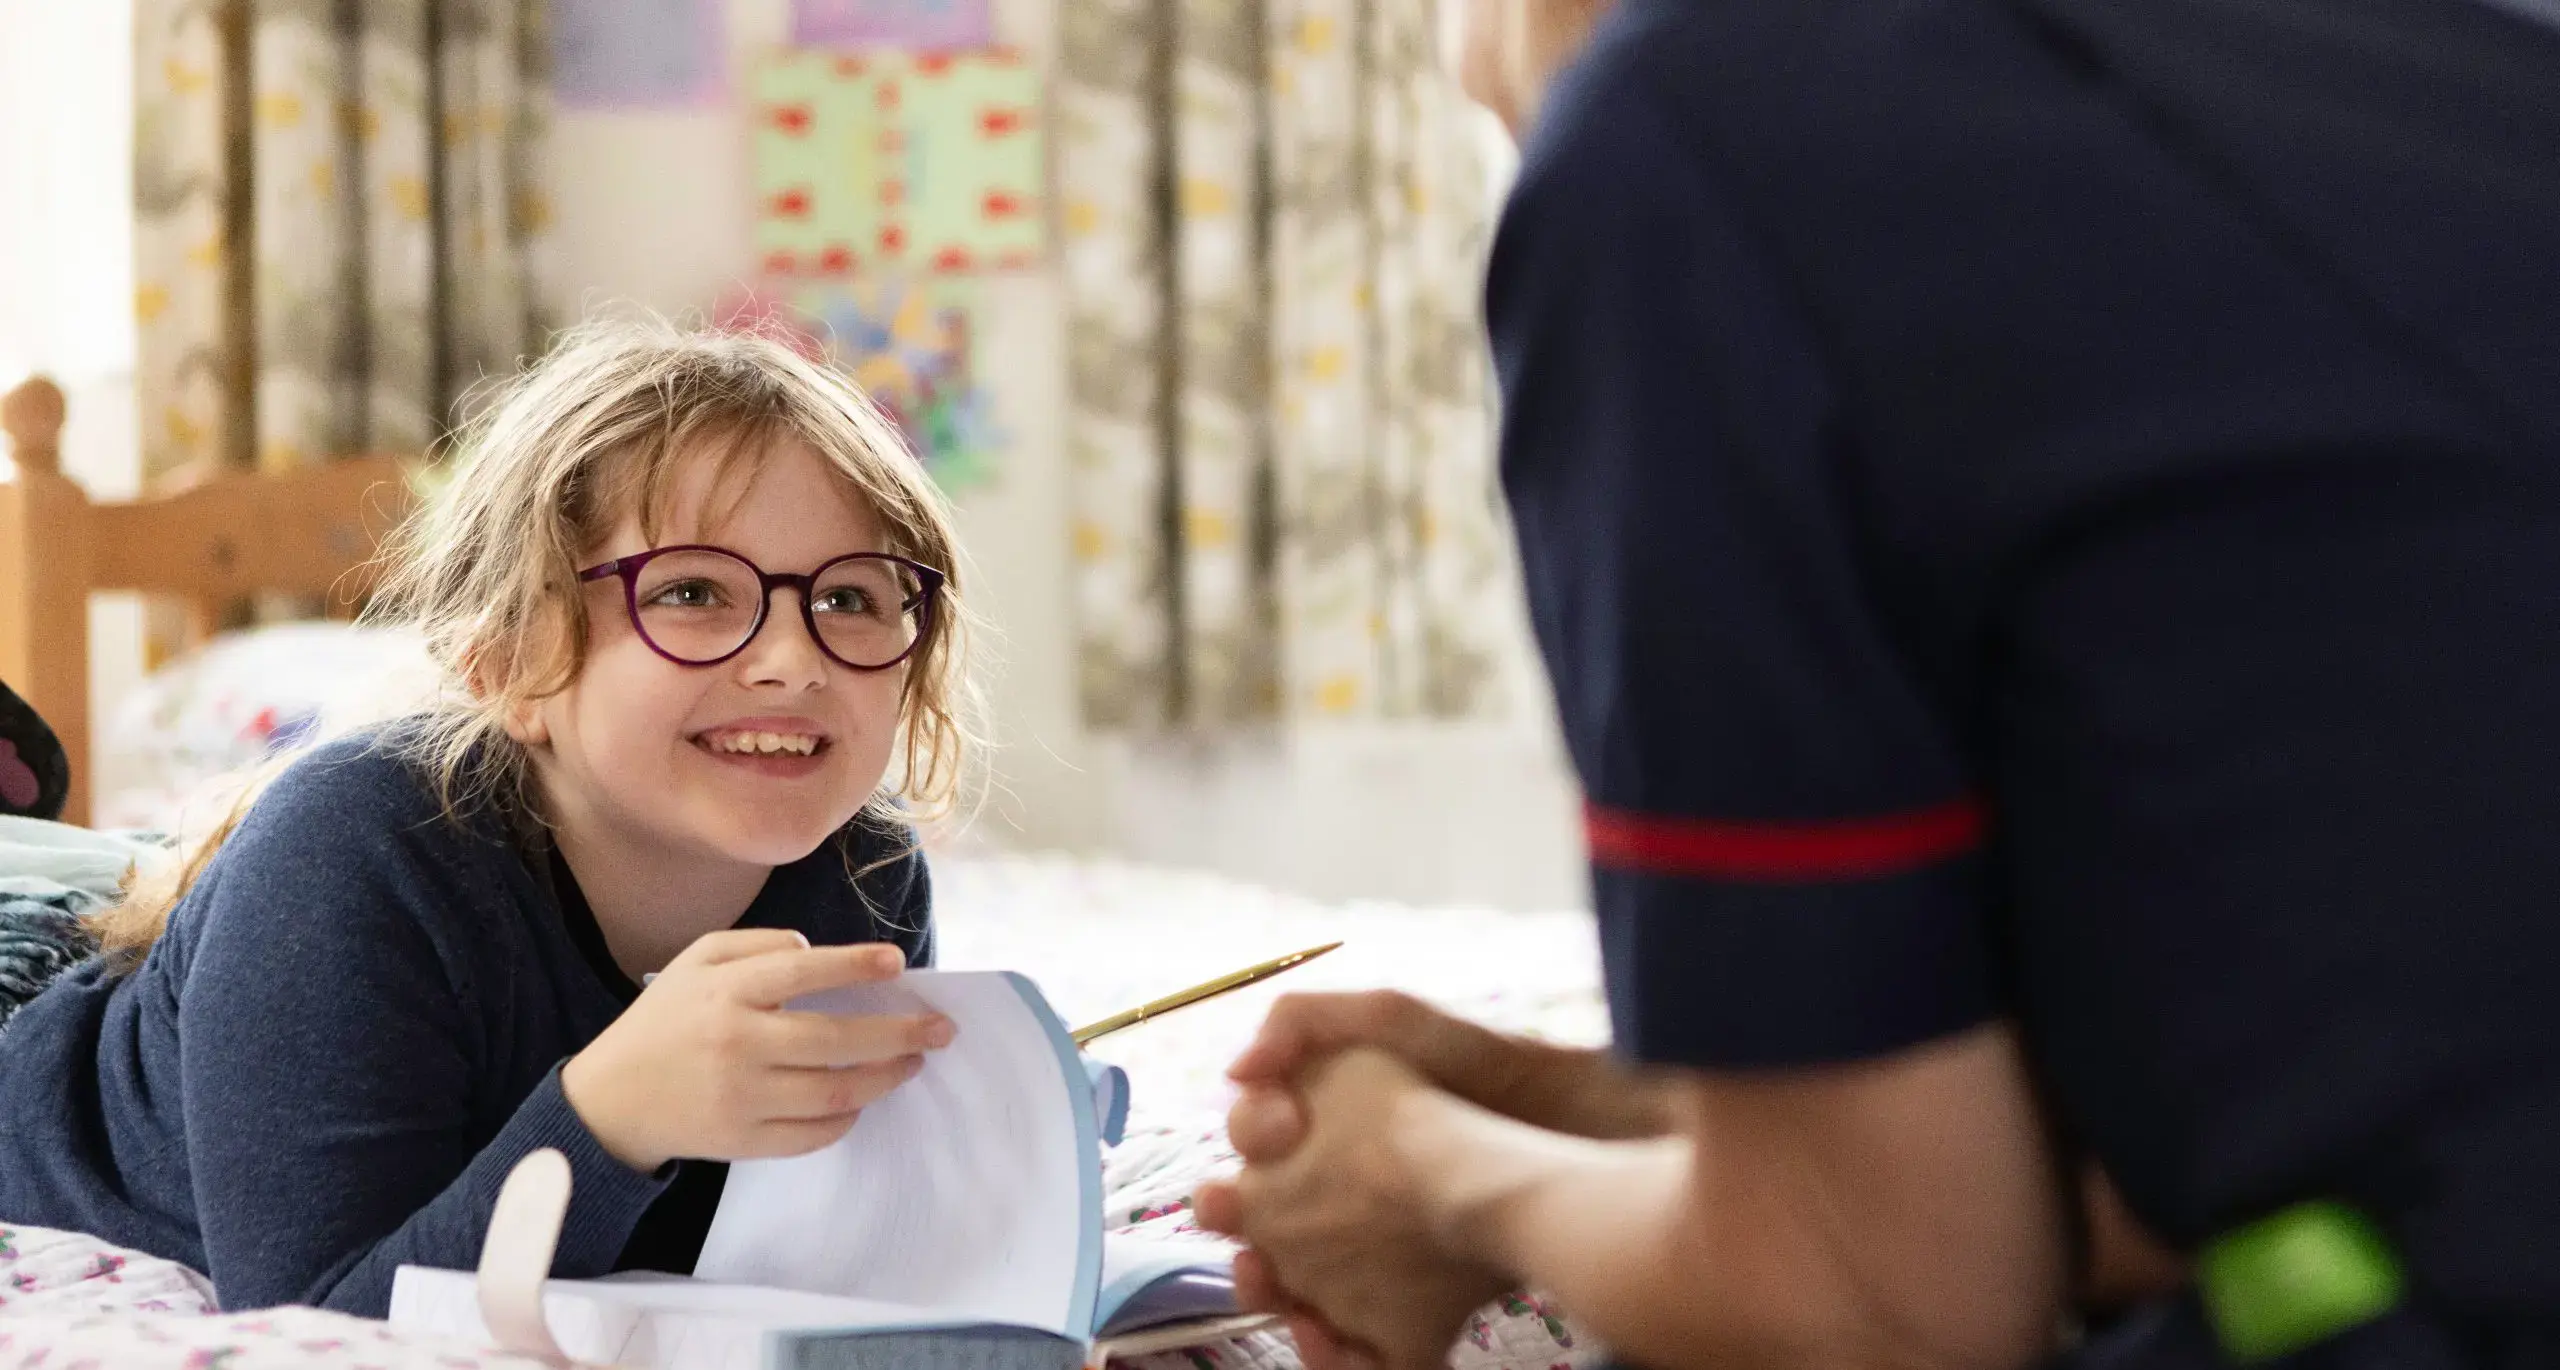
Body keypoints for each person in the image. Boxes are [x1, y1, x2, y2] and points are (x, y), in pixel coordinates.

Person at [1199, 0, 2560, 1365]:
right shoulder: (2432, 66)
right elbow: (2320, 1094)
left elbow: (1885, 1308)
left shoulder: (1684, 136)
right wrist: (1579, 1109)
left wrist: (1426, 1176)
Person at [0, 320, 980, 1315]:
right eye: (692, 591)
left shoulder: (866, 870)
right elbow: (321, 1320)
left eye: (850, 597)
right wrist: (608, 1118)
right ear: (508, 664)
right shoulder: (351, 854)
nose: (794, 660)